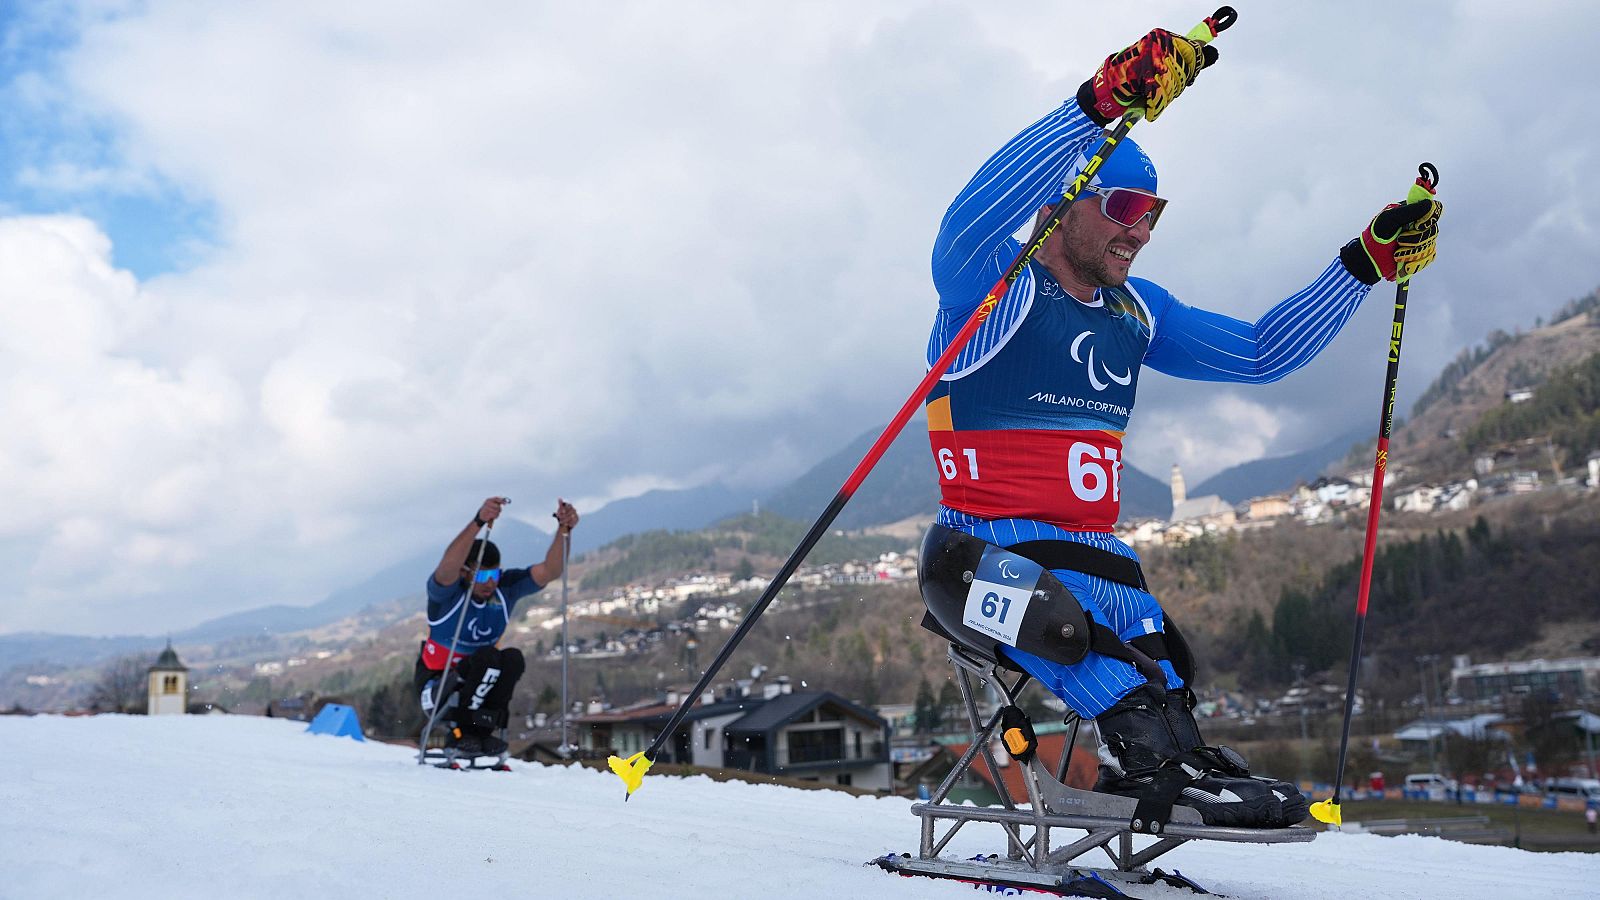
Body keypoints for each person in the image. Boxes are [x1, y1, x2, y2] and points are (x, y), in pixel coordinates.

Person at [924, 22, 1440, 828]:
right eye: (1123, 206)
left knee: (1166, 662)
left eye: (1154, 211)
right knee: (1081, 638)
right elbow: (962, 226)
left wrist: (1365, 264)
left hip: (1096, 554)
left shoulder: (1137, 310)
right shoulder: (1001, 293)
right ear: (1063, 203)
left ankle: (1175, 765)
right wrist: (1095, 106)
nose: (1142, 229)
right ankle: (1155, 765)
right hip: (986, 556)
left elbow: (1264, 353)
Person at [414, 496, 580, 757]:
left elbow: (550, 570)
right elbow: (446, 566)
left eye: (494, 575)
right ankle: (461, 734)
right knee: (488, 657)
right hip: (438, 686)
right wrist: (479, 521)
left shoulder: (505, 588)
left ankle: (483, 730)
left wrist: (564, 530)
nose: (490, 583)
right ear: (465, 572)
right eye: (482, 575)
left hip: (480, 676)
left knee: (511, 658)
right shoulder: (446, 594)